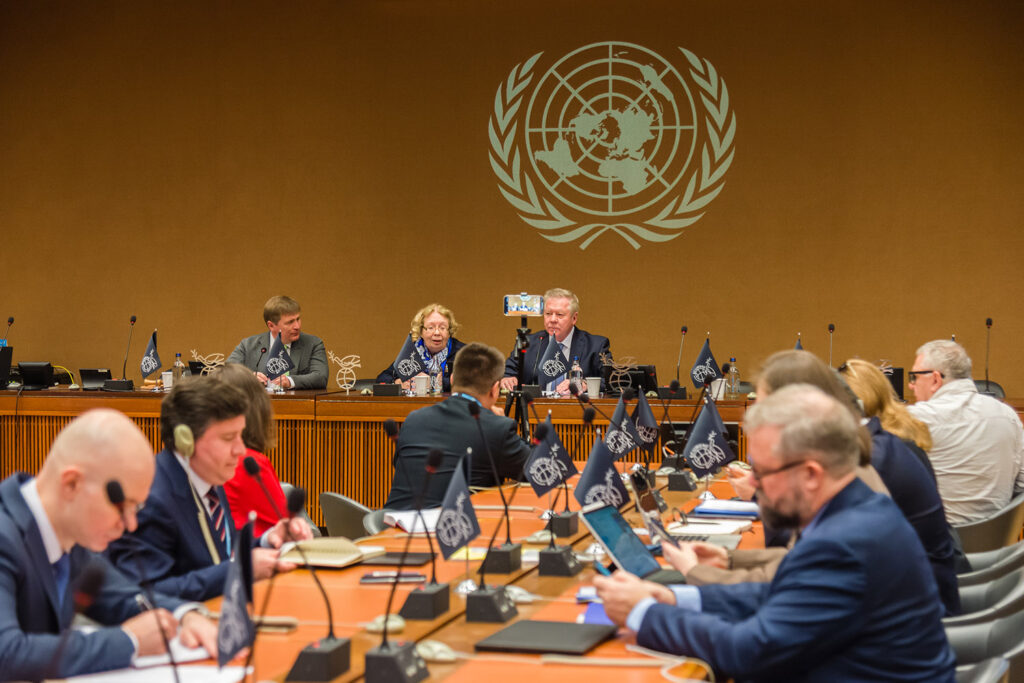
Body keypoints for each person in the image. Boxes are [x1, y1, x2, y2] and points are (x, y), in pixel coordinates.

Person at [595, 385, 956, 681]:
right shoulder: (858, 509)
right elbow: (781, 596)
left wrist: (644, 613)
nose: (752, 484)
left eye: (763, 472)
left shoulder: (844, 542)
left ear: (811, 474)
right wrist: (677, 600)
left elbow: (751, 650)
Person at [0, 409, 218, 681]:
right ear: (71, 484)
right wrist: (129, 641)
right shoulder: (5, 536)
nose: (130, 525)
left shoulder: (69, 535)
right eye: (121, 507)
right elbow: (6, 654)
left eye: (136, 508)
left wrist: (185, 615)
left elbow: (125, 597)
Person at [106, 375, 313, 602]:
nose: (240, 450)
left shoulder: (207, 478)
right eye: (228, 438)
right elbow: (146, 594)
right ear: (186, 440)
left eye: (240, 436)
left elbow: (217, 556)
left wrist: (268, 539)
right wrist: (240, 570)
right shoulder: (152, 500)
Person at [384, 342, 530, 510]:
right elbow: (547, 473)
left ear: (452, 379)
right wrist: (500, 423)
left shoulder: (414, 419)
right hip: (451, 530)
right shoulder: (495, 428)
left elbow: (401, 465)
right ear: (495, 389)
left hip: (391, 529)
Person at [907, 339, 1024, 525]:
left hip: (933, 546)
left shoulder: (915, 419)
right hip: (997, 548)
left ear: (935, 379)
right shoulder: (1008, 416)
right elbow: (1021, 486)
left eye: (914, 377)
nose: (910, 385)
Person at [217, 363, 291, 536]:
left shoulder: (197, 458)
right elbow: (284, 531)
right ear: (258, 407)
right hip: (254, 556)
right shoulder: (250, 463)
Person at [500, 288, 611, 395]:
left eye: (559, 315)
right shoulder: (528, 343)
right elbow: (507, 372)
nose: (552, 320)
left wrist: (584, 384)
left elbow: (610, 382)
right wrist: (507, 379)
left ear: (574, 318)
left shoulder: (596, 346)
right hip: (535, 409)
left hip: (577, 410)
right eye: (548, 314)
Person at [227, 295, 328, 390]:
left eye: (298, 319)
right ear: (271, 325)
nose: (297, 326)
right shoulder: (248, 345)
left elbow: (320, 377)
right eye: (290, 322)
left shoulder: (313, 344)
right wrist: (249, 377)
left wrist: (289, 381)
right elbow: (226, 372)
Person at [376, 303, 466, 393]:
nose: (437, 332)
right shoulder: (412, 351)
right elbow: (382, 378)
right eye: (431, 328)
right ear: (421, 331)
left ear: (449, 331)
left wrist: (432, 383)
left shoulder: (463, 352)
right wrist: (397, 382)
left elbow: (470, 384)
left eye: (443, 328)